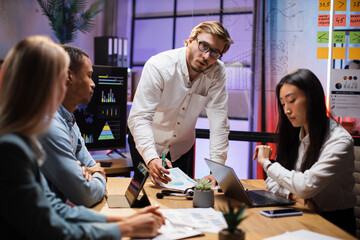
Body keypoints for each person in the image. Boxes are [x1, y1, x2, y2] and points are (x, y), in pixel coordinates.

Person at [0, 35, 164, 239]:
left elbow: (56, 209)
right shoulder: (12, 147)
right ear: (46, 84)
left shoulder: (23, 138)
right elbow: (48, 229)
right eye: (63, 79)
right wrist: (126, 229)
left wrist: (128, 220)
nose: (65, 86)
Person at [128, 21, 233, 187]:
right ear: (191, 40)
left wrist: (217, 170)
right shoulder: (159, 66)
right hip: (147, 143)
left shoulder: (217, 71)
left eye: (215, 52)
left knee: (181, 199)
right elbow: (140, 117)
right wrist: (151, 157)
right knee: (147, 197)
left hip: (181, 149)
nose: (207, 56)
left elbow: (219, 121)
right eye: (204, 46)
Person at [253, 69, 356, 235]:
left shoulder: (339, 140)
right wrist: (296, 197)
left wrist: (266, 162)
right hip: (301, 212)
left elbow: (305, 185)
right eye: (283, 103)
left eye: (292, 100)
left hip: (334, 222)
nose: (286, 110)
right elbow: (273, 182)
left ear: (313, 99)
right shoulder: (296, 133)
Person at [40, 45, 106, 207]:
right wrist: (100, 176)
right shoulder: (50, 125)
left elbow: (90, 165)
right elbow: (85, 196)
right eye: (89, 76)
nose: (93, 84)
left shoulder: (68, 119)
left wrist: (90, 172)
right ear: (68, 76)